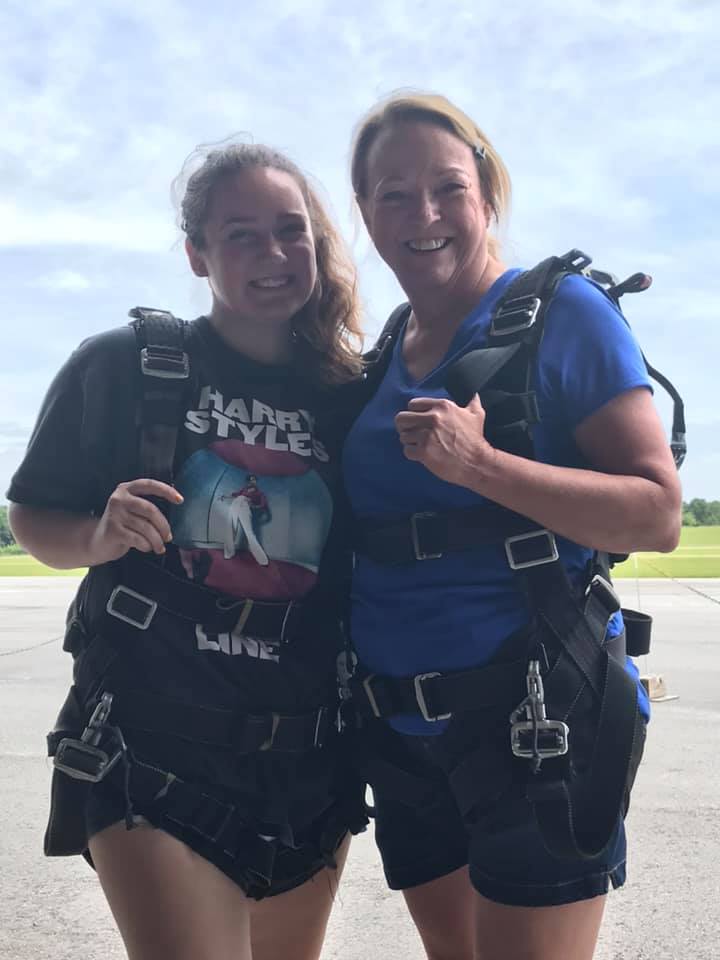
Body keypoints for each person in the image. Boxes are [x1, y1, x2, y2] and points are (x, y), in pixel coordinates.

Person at [342, 92, 682, 960]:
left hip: (534, 725)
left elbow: (657, 510)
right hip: (404, 734)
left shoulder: (563, 313)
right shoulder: (388, 347)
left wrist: (482, 468)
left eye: (447, 187)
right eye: (391, 194)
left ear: (488, 196)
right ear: (366, 216)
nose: (422, 215)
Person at [8, 141, 366, 960]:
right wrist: (99, 535)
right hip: (150, 748)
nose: (273, 254)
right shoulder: (128, 366)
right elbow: (32, 515)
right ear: (197, 254)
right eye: (242, 235)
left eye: (291, 230)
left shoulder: (349, 396)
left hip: (307, 755)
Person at [220, 474, 271, 564]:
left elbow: (263, 505)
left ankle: (263, 560)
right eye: (250, 480)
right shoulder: (244, 490)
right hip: (235, 504)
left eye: (254, 480)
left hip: (244, 506)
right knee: (230, 528)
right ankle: (228, 553)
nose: (252, 481)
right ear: (248, 482)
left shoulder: (260, 493)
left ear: (256, 482)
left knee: (249, 533)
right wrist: (225, 497)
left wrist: (253, 506)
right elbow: (235, 495)